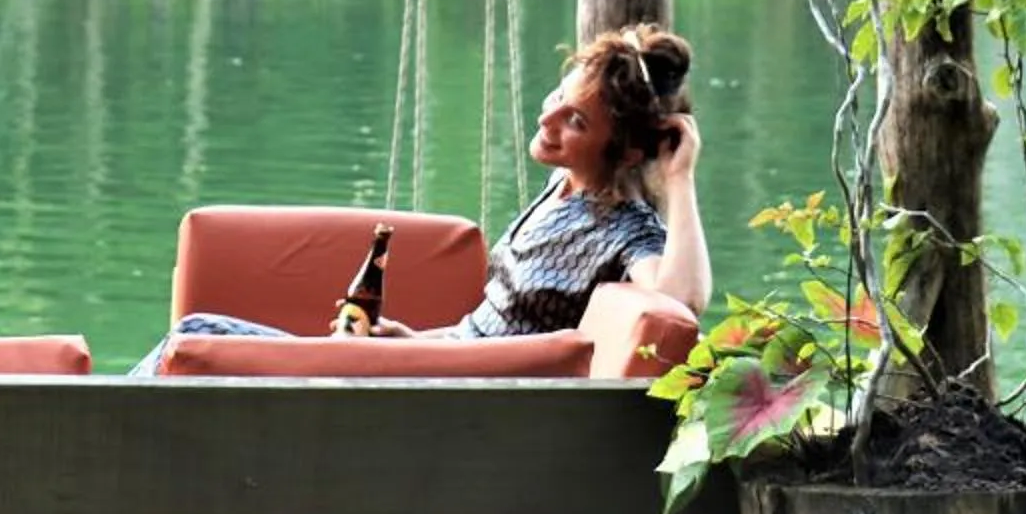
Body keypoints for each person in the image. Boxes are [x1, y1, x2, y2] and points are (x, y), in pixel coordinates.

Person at [140, 24, 710, 370]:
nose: (549, 116)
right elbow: (491, 328)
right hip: (430, 361)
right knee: (198, 336)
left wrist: (680, 180)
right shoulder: (562, 189)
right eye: (559, 95)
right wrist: (418, 340)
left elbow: (679, 303)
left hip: (448, 390)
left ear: (629, 153)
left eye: (576, 121)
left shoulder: (623, 228)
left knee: (198, 334)